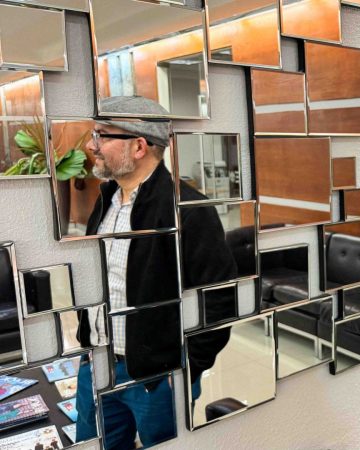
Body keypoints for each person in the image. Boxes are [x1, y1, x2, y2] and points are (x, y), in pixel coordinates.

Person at [73, 96, 236, 449]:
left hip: (158, 379)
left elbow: (219, 301)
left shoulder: (189, 210)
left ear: (138, 147)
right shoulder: (106, 201)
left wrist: (186, 368)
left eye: (102, 135)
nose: (91, 145)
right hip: (96, 366)